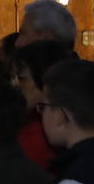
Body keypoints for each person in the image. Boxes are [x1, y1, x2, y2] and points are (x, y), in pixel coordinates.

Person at [9, 40, 67, 174]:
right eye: (12, 77)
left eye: (21, 77)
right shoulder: (26, 122)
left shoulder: (42, 135)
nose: (14, 84)